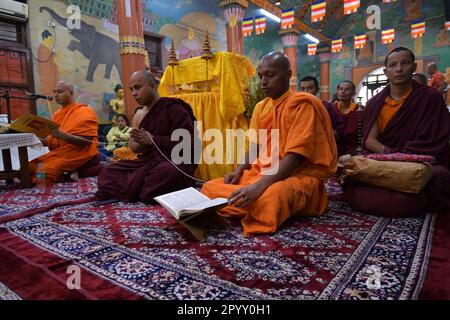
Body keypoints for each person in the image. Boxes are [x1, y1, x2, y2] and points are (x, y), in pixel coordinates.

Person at [201, 52, 338, 236]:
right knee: (208, 187)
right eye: (260, 76)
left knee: (271, 197)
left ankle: (242, 205)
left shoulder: (303, 104)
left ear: (288, 75)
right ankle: (247, 204)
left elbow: (296, 156)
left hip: (296, 176)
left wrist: (259, 187)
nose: (263, 81)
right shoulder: (261, 107)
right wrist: (239, 170)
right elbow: (256, 146)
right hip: (263, 173)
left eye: (270, 75)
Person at [345, 47, 450, 217]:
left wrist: (405, 158)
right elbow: (370, 141)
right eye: (393, 65)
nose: (399, 69)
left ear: (414, 67)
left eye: (405, 63)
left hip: (419, 160)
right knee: (348, 168)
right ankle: (408, 198)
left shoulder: (430, 97)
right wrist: (393, 156)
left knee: (439, 176)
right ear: (386, 72)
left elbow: (436, 139)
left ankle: (404, 197)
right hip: (385, 157)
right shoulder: (375, 102)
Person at [95, 70, 197, 202]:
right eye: (131, 89)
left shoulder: (174, 109)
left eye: (138, 88)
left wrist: (153, 140)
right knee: (108, 173)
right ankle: (143, 190)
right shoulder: (138, 115)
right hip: (147, 162)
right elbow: (134, 147)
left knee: (167, 172)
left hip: (174, 162)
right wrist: (139, 143)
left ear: (152, 86)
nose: (134, 94)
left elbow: (187, 142)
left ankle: (137, 189)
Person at [29, 81, 99, 184]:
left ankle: (71, 173)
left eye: (60, 91)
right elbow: (53, 139)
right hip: (61, 153)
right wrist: (41, 140)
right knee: (30, 167)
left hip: (79, 152)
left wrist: (63, 136)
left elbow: (87, 141)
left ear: (70, 93)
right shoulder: (57, 114)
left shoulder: (84, 111)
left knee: (45, 172)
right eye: (55, 92)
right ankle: (71, 173)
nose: (56, 95)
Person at [299, 76, 344, 141]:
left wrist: (317, 131)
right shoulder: (296, 107)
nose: (306, 92)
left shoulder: (327, 107)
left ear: (317, 90)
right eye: (302, 89)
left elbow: (338, 132)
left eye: (310, 88)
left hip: (322, 144)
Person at [331, 80, 361, 156]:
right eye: (341, 89)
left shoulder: (359, 110)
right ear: (337, 91)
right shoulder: (331, 108)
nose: (343, 92)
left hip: (353, 149)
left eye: (347, 89)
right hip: (334, 147)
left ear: (353, 93)